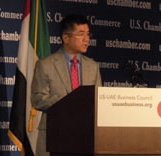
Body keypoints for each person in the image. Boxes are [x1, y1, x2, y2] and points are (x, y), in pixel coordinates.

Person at [31, 14, 102, 156]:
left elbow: (98, 100)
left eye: (88, 34)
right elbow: (37, 99)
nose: (86, 39)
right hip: (55, 135)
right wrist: (68, 101)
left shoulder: (93, 66)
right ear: (66, 38)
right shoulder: (46, 65)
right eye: (81, 34)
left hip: (85, 137)